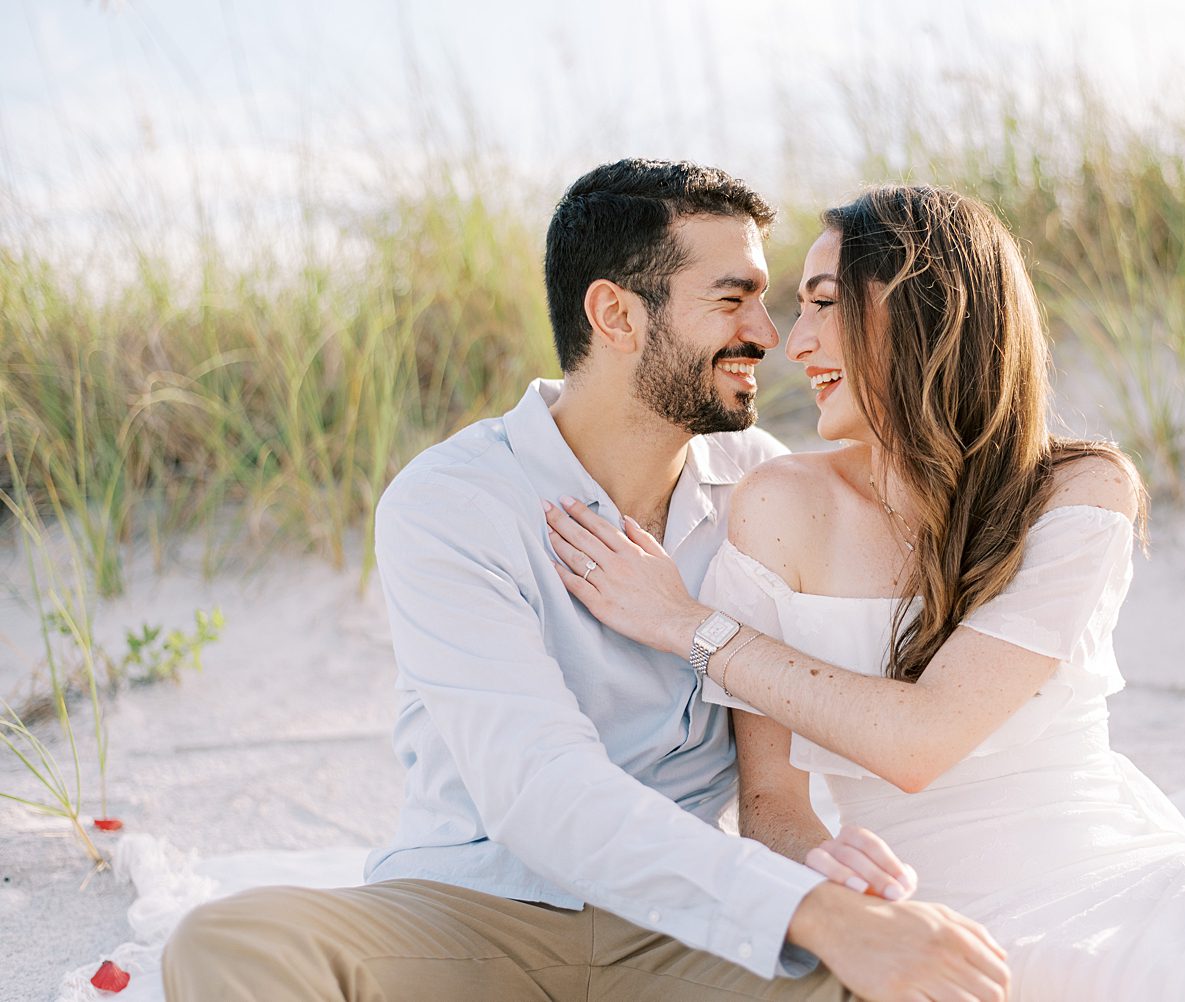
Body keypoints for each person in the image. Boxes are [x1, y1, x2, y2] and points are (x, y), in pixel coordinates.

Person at [543, 184, 1185, 1002]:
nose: (796, 341)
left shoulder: (1078, 491)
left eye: (827, 302)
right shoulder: (779, 507)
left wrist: (688, 625)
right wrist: (827, 876)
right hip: (965, 906)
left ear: (924, 308)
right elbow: (774, 805)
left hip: (1125, 861)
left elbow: (923, 738)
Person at [160, 162, 1013, 1001]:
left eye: (766, 296)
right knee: (231, 944)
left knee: (903, 978)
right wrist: (813, 911)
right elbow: (541, 791)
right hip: (475, 912)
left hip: (686, 930)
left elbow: (778, 782)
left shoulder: (764, 483)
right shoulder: (453, 502)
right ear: (614, 314)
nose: (772, 332)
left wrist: (829, 893)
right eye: (732, 298)